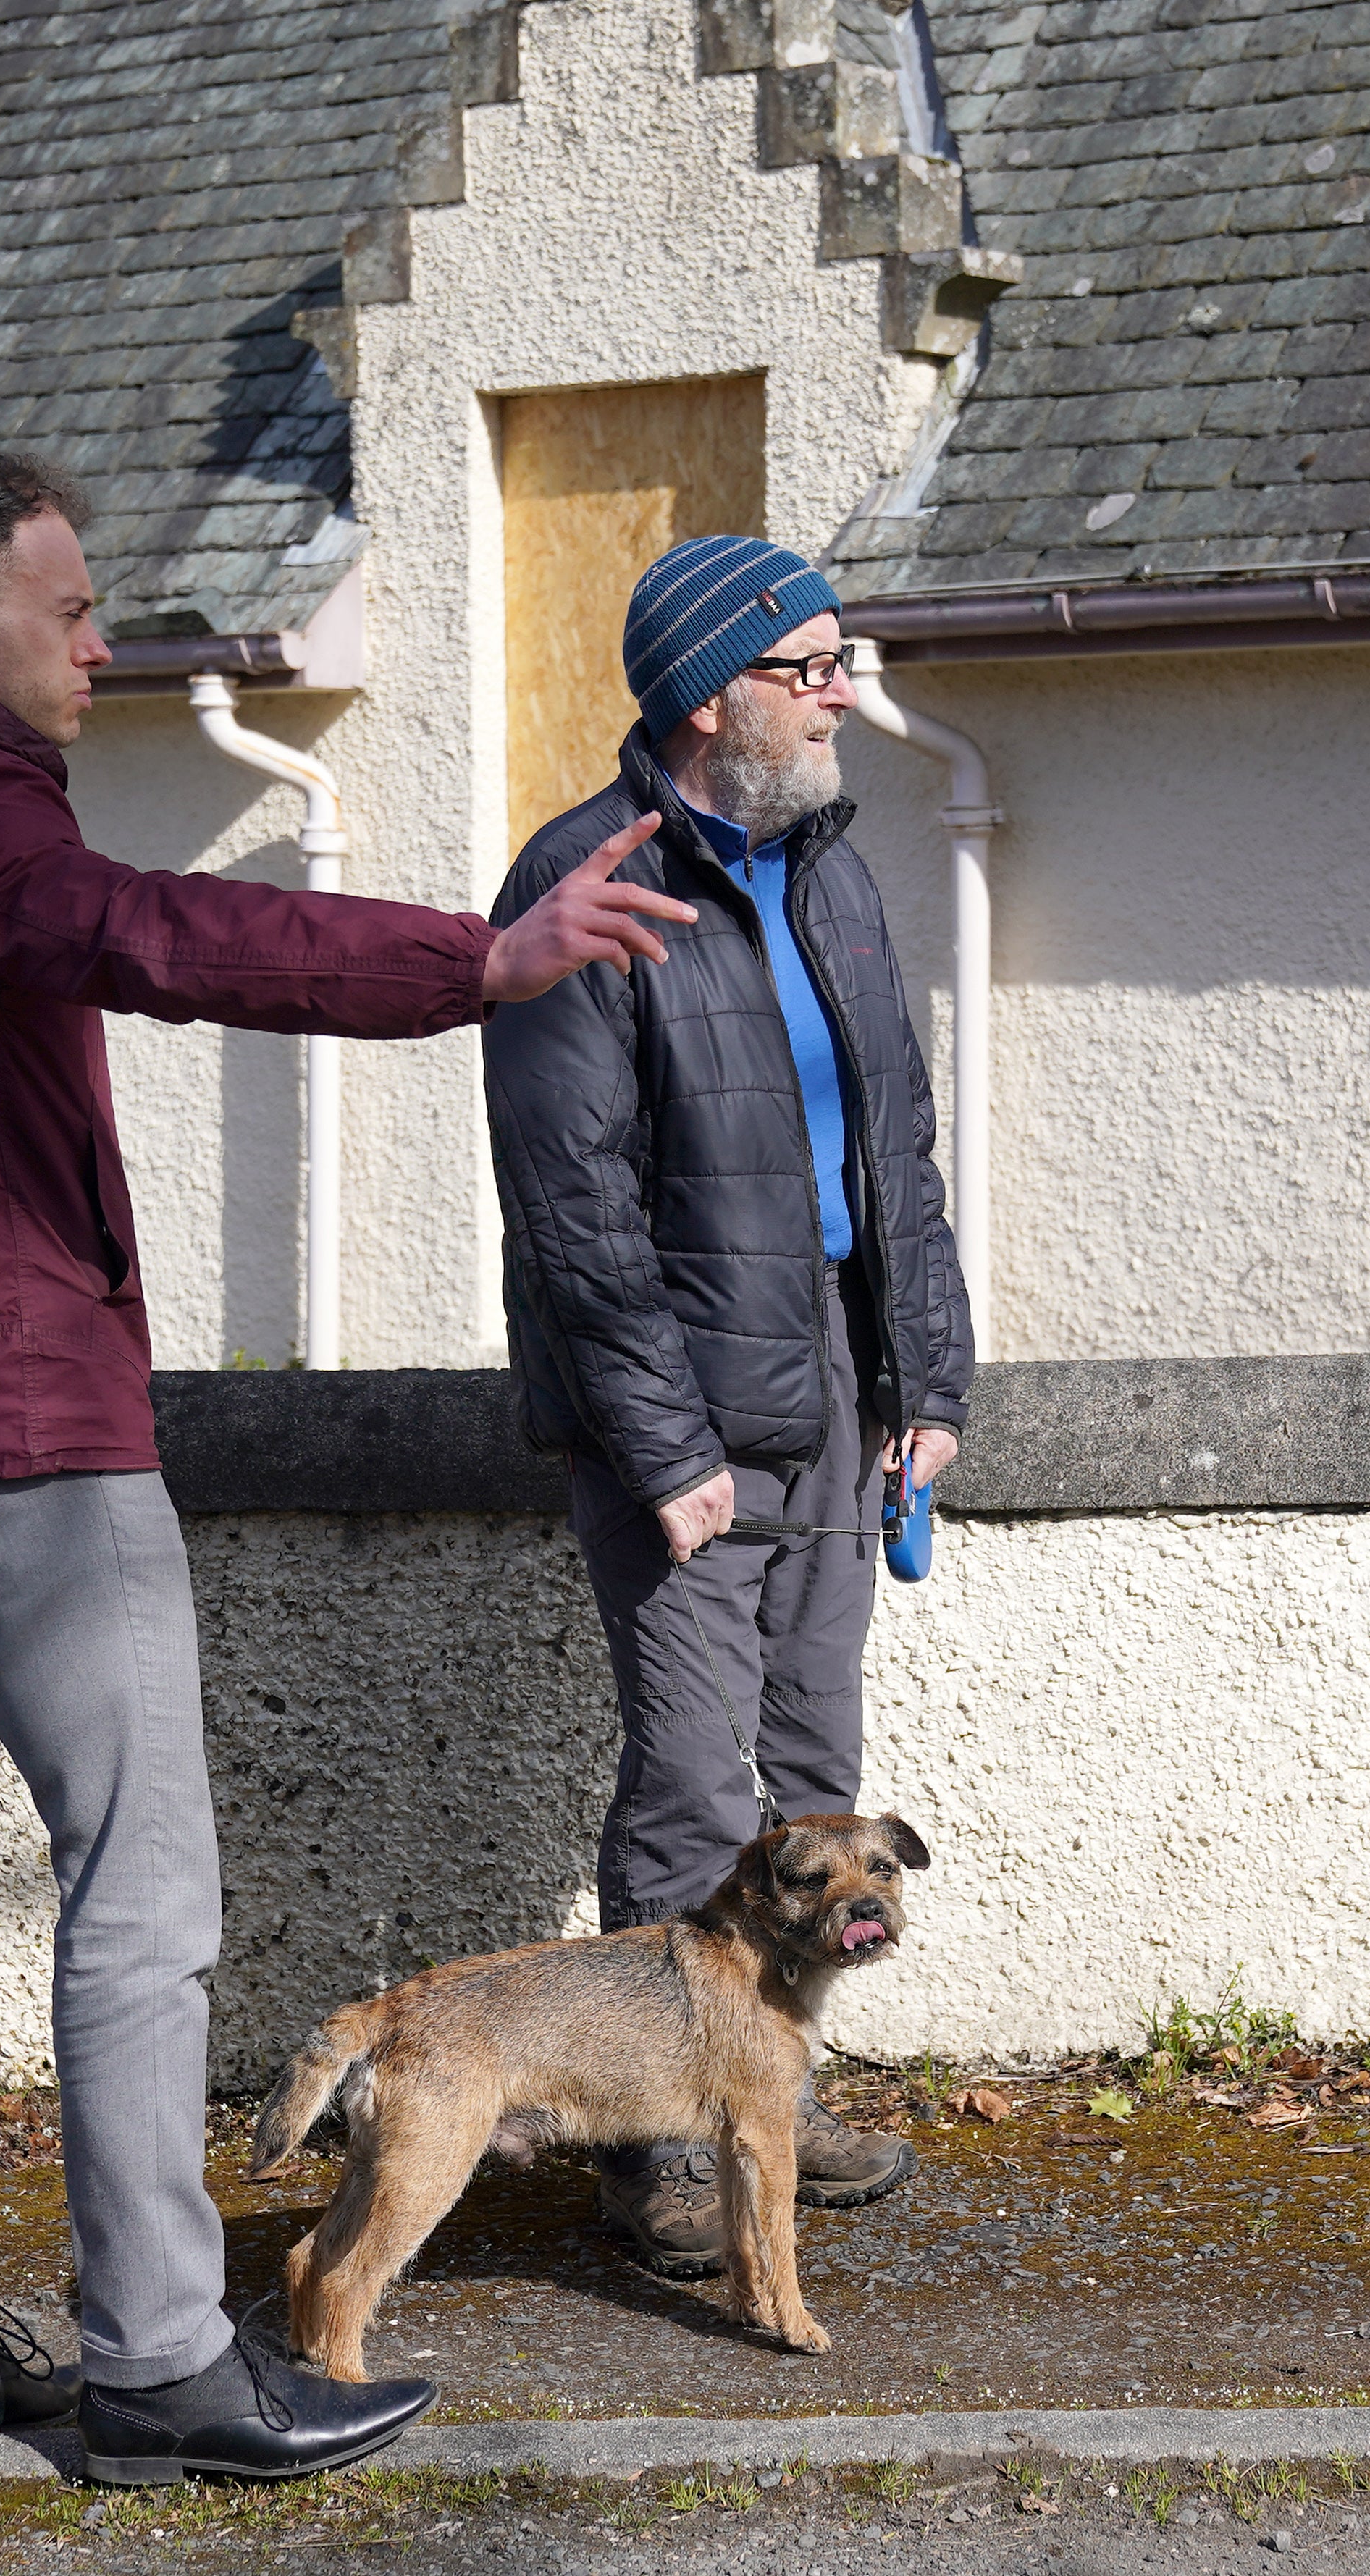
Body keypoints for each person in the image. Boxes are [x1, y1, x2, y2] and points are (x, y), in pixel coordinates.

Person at [0, 443, 686, 2485]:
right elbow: (155, 930)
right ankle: (155, 2357)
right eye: (74, 598)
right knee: (139, 1893)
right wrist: (471, 963)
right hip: (18, 1427)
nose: (103, 634)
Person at [479, 534, 975, 2275]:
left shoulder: (833, 870)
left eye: (845, 660)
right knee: (696, 1787)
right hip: (678, 1409)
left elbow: (896, 1146)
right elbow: (574, 1214)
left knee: (821, 1778)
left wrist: (926, 1382)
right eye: (812, 666)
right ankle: (663, 2148)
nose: (847, 692)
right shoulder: (583, 881)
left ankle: (775, 2093)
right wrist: (665, 1448)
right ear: (709, 695)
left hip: (838, 1388)